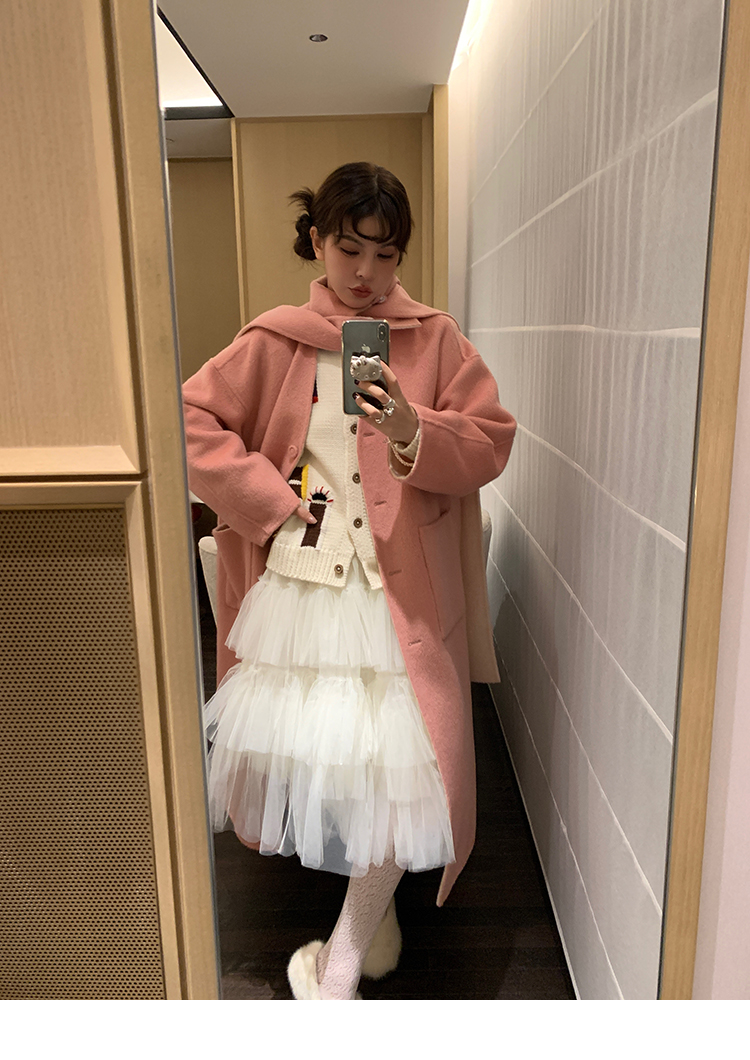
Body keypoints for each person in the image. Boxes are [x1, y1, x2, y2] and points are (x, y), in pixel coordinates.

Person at [181, 161, 516, 1000]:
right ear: (317, 240)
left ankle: (342, 954)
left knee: (408, 764)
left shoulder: (434, 339)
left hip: (399, 591)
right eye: (349, 248)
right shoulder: (277, 338)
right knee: (332, 761)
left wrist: (412, 425)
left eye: (386, 254)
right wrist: (268, 500)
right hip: (304, 583)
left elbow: (490, 441)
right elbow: (185, 418)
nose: (366, 272)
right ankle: (370, 908)